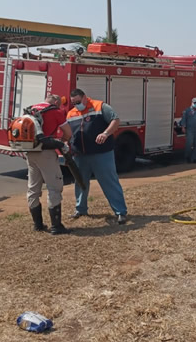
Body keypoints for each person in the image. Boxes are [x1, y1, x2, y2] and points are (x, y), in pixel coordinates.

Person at [60, 89, 128, 224]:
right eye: (74, 103)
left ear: (85, 97)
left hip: (102, 154)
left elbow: (115, 120)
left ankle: (120, 212)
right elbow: (68, 133)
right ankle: (80, 209)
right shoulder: (71, 114)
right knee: (80, 182)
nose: (76, 105)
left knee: (109, 182)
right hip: (80, 155)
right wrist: (65, 143)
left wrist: (105, 133)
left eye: (78, 102)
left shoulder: (100, 106)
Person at [26, 93, 71, 235]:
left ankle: (38, 224)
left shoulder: (30, 110)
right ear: (56, 102)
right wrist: (61, 143)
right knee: (54, 187)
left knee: (33, 188)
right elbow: (68, 132)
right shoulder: (56, 111)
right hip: (46, 153)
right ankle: (56, 226)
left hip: (30, 152)